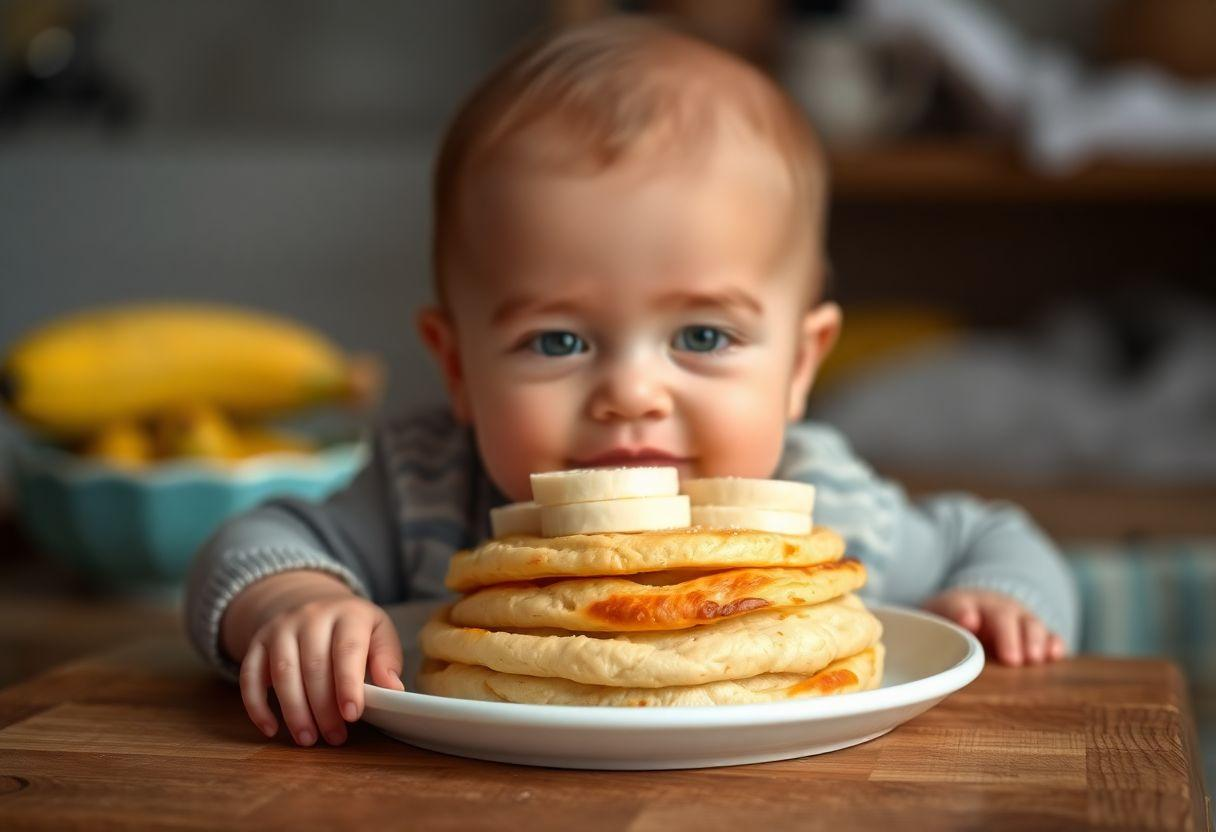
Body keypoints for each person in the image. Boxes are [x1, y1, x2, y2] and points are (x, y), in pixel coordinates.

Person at [185, 16, 1078, 749]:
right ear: (456, 365)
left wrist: (999, 601)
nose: (630, 392)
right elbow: (252, 542)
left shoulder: (829, 512)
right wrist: (295, 602)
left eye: (701, 335)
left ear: (800, 365)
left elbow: (995, 537)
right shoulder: (424, 485)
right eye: (558, 340)